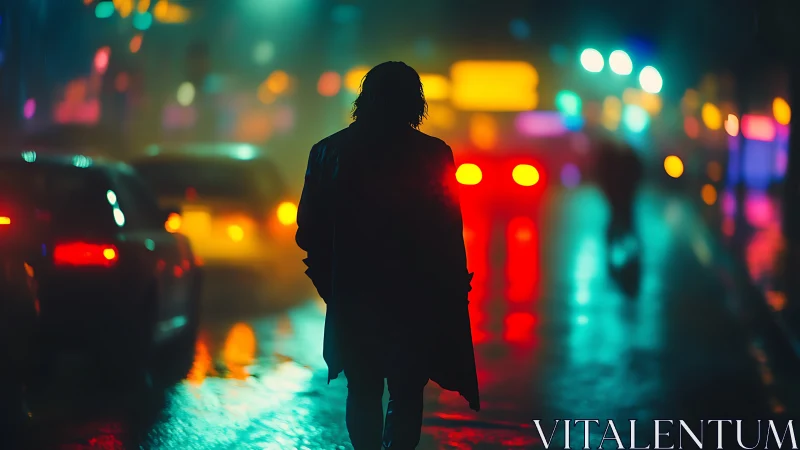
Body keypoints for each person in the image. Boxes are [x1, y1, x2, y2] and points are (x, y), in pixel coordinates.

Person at [295, 61, 480, 449]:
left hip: (354, 293)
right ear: (415, 103)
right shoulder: (434, 155)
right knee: (407, 392)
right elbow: (448, 230)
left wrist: (332, 283)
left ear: (365, 99)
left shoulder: (328, 151)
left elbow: (309, 232)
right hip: (415, 298)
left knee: (362, 388)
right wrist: (451, 288)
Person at [595, 140, 644, 295]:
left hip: (620, 196)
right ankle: (629, 254)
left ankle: (625, 253)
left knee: (619, 221)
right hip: (623, 197)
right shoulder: (624, 160)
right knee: (624, 222)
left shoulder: (614, 161)